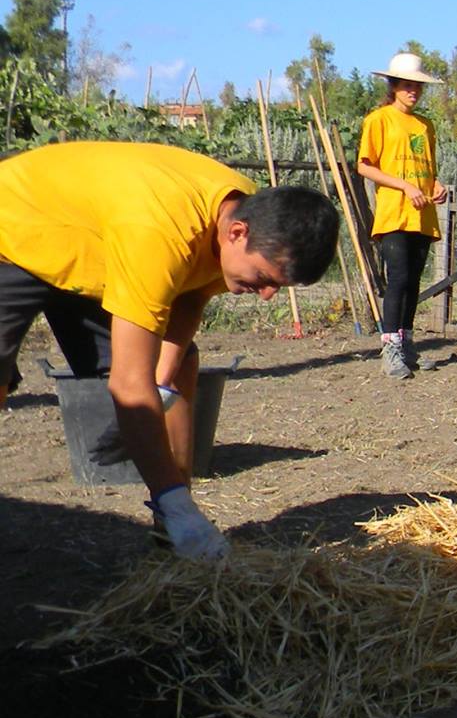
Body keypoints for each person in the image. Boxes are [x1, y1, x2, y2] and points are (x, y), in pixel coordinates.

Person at [0, 141, 338, 558]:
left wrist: (160, 385)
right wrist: (143, 395)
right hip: (15, 227)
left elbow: (190, 298)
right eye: (264, 278)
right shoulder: (163, 231)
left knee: (179, 366)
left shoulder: (243, 211)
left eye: (278, 287)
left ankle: (173, 529)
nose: (267, 295)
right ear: (237, 234)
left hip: (90, 247)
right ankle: (177, 510)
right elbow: (128, 385)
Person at [356, 50, 449, 380]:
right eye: (407, 85)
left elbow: (429, 170)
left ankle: (407, 342)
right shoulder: (378, 120)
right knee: (397, 279)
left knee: (413, 281)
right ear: (393, 85)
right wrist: (404, 186)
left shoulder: (426, 126)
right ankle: (390, 346)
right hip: (394, 213)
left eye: (418, 86)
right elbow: (364, 165)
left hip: (422, 215)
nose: (413, 91)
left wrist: (436, 186)